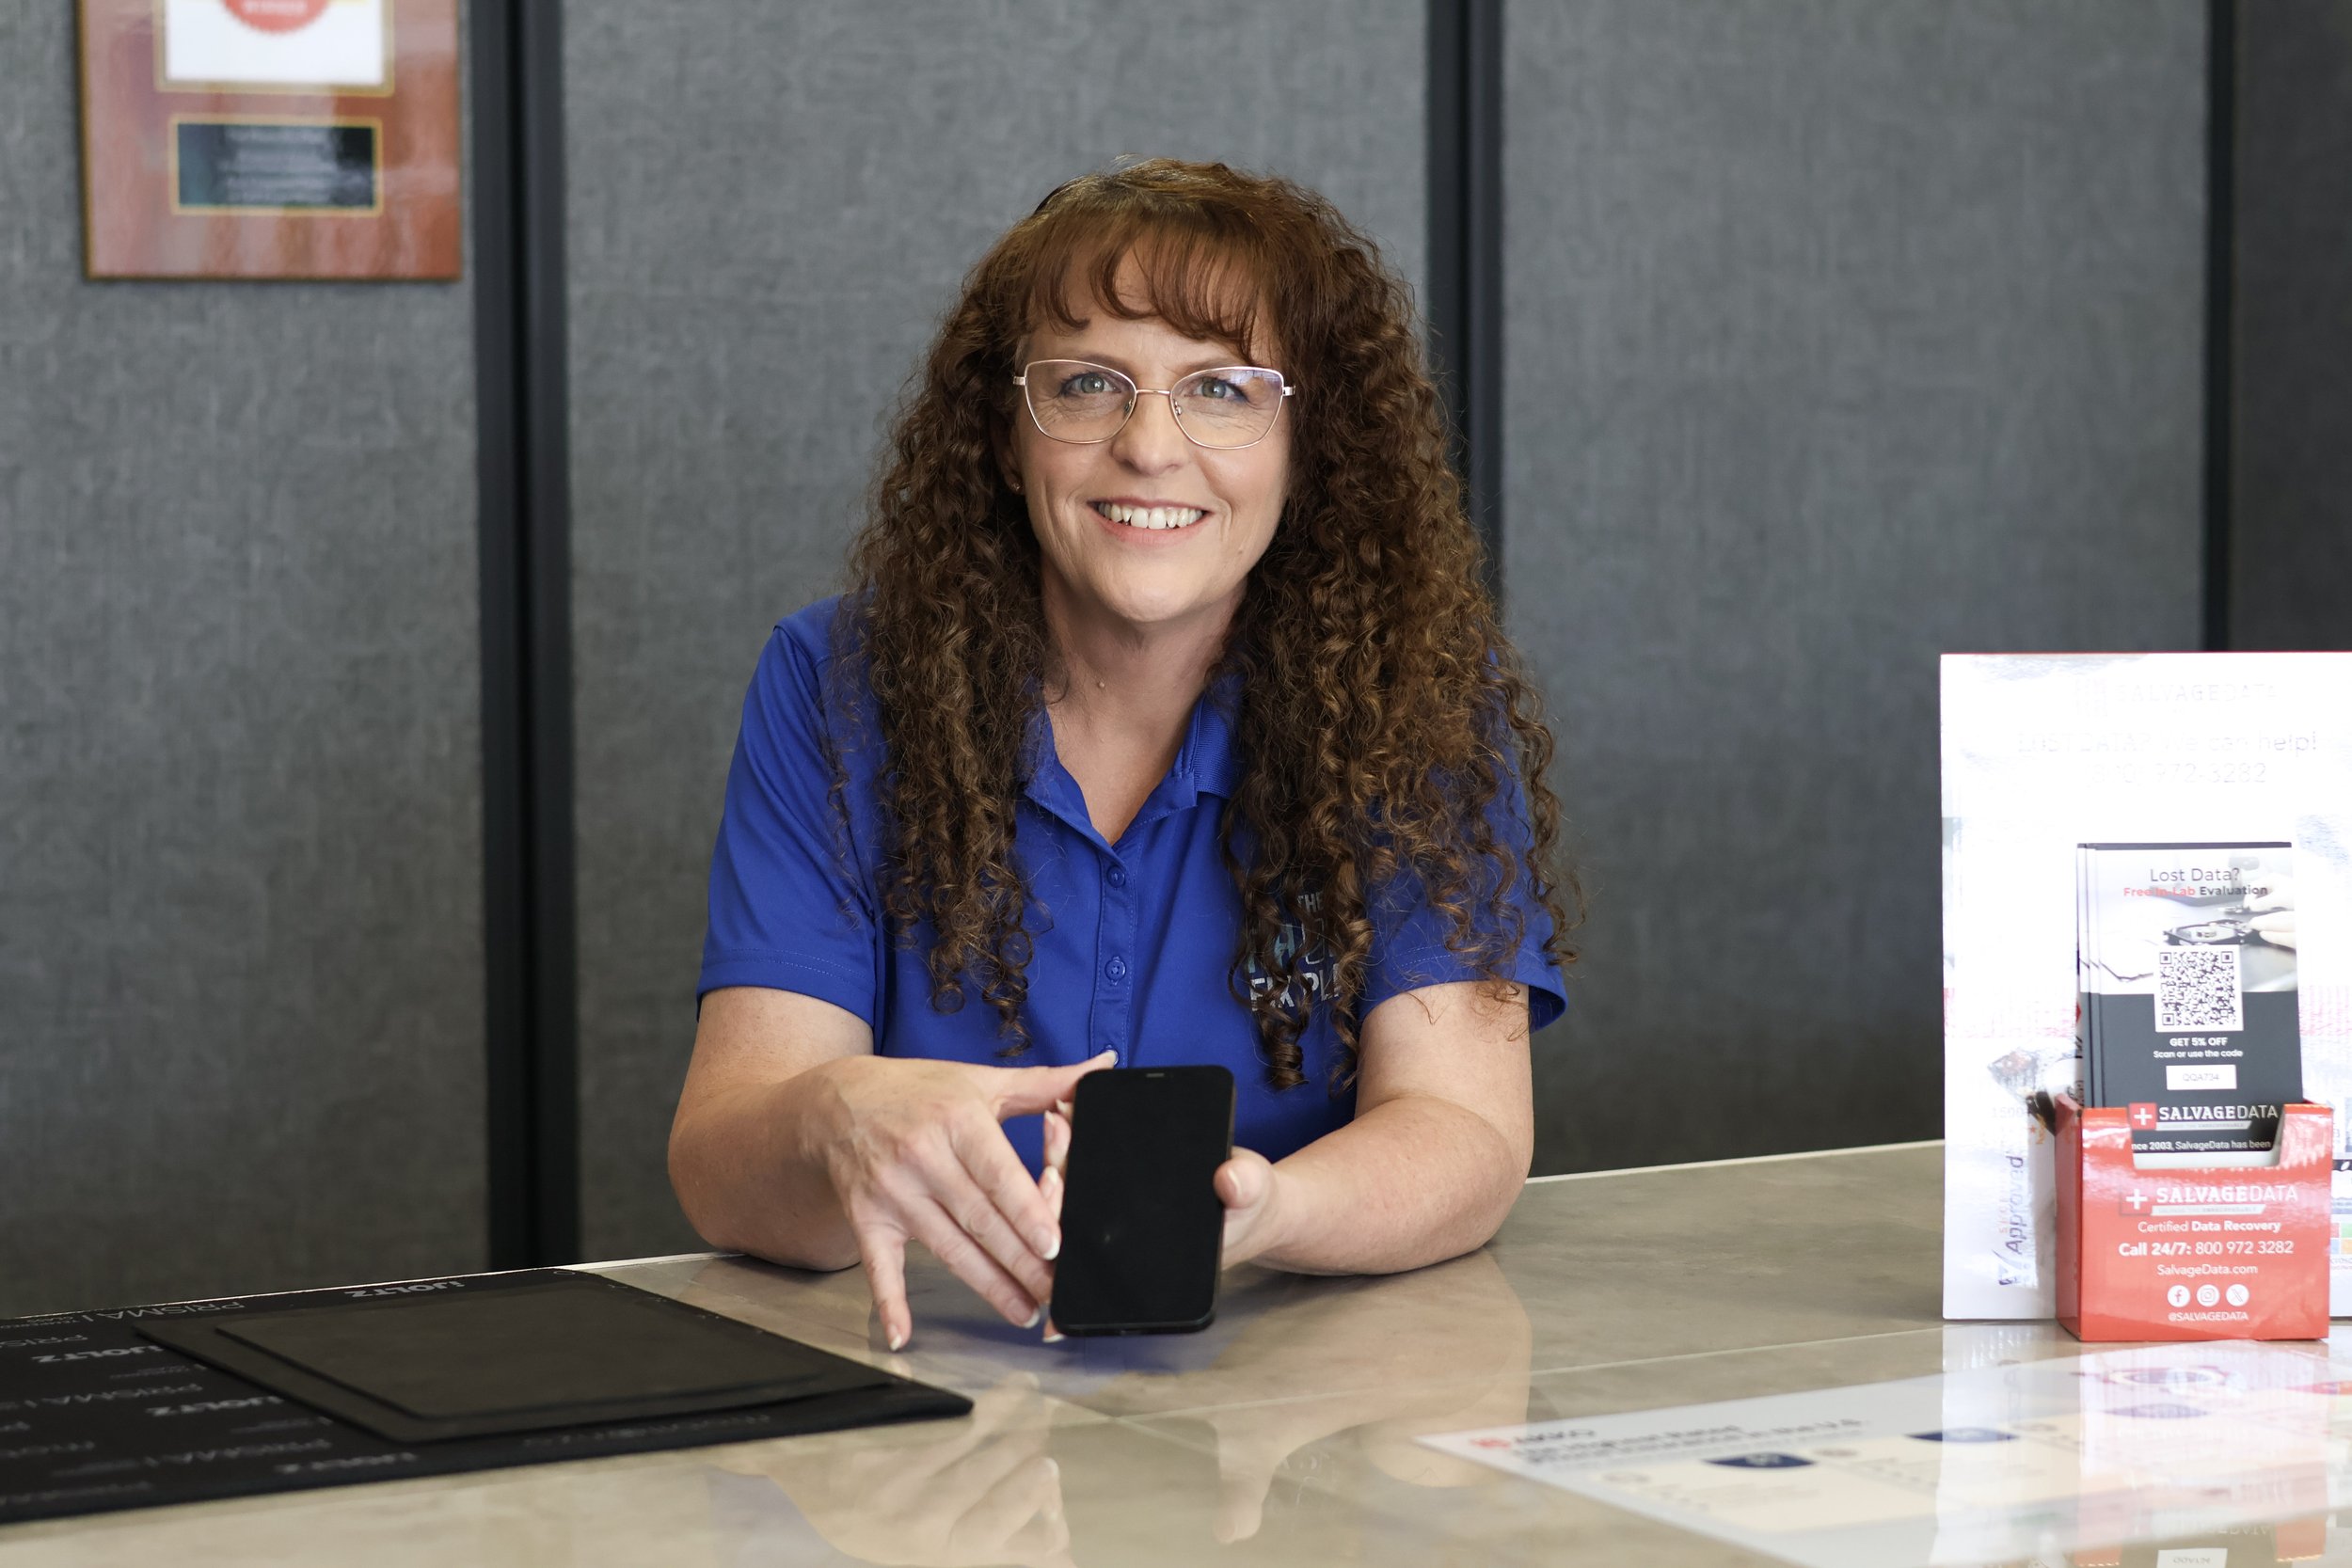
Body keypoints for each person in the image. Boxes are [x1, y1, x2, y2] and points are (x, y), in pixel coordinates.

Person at [669, 159, 1573, 1353]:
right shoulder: (837, 684)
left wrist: (1262, 1212)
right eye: (1089, 383)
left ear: (1311, 447)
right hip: (913, 1402)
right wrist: (831, 1117)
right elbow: (724, 1168)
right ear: (1006, 435)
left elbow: (1465, 1132)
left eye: (1223, 389)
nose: (1151, 446)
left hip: (1300, 1397)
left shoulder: (1420, 706)